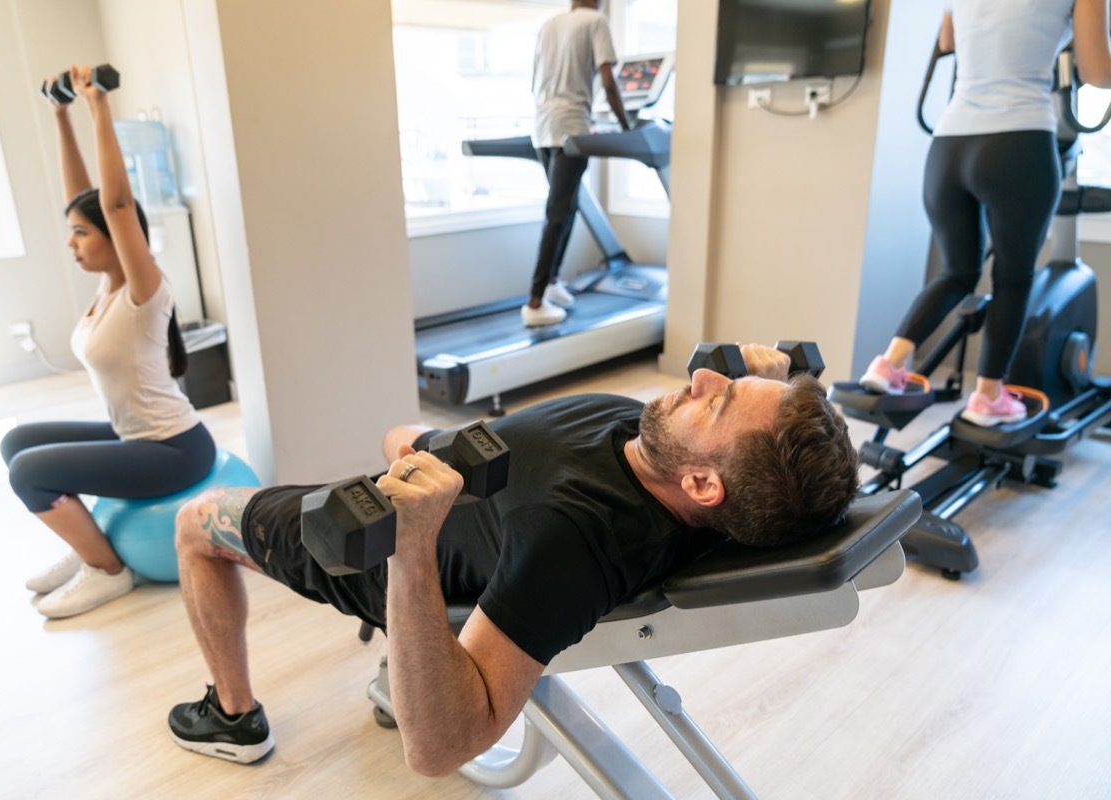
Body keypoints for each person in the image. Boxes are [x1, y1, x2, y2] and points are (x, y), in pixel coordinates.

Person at [165, 344, 859, 770]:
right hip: (472, 466)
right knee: (399, 431)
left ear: (704, 486)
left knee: (196, 522)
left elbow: (438, 750)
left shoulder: (570, 543)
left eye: (719, 401)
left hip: (397, 539)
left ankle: (233, 718)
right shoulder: (688, 467)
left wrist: (411, 552)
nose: (705, 374)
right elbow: (793, 469)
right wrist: (783, 386)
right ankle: (393, 667)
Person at [0, 66, 216, 619]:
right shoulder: (107, 285)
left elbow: (116, 205)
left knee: (28, 473)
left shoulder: (144, 291)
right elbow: (87, 196)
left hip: (174, 451)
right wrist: (60, 112)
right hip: (135, 437)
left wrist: (98, 105)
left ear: (119, 238)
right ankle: (87, 549)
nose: (70, 242)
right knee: (17, 441)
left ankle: (106, 569)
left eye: (80, 232)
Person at [860, 0, 1111, 426]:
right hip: (1019, 141)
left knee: (957, 272)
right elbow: (1097, 72)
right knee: (1013, 278)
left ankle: (889, 364)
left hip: (949, 146)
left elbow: (948, 40)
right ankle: (988, 396)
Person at [521, 0, 631, 328]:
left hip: (542, 127)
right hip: (571, 126)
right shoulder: (595, 22)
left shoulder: (549, 25)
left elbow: (534, 82)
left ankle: (552, 282)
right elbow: (608, 81)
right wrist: (626, 127)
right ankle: (535, 300)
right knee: (558, 214)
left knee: (567, 206)